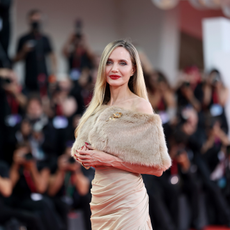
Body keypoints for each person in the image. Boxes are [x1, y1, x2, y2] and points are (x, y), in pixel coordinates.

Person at [71, 40, 171, 230]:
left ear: (133, 69)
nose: (114, 68)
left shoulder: (140, 106)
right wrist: (84, 155)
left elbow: (157, 168)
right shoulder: (96, 108)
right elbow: (84, 153)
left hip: (128, 199)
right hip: (100, 198)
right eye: (109, 62)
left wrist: (106, 159)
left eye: (122, 63)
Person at [13, 9, 57, 95]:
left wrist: (53, 75)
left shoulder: (45, 39)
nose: (36, 22)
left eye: (38, 20)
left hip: (44, 78)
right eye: (33, 20)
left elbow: (53, 57)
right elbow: (16, 59)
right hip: (29, 79)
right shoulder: (23, 39)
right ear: (29, 21)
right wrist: (24, 50)